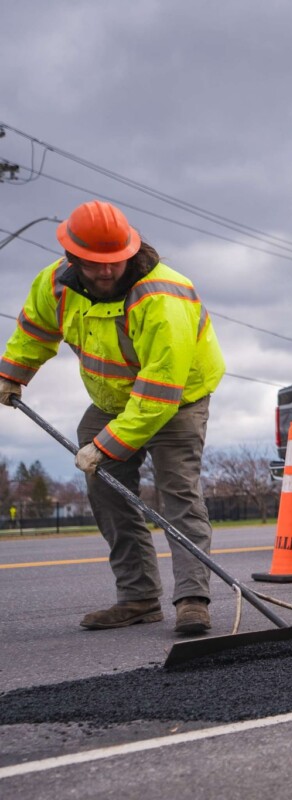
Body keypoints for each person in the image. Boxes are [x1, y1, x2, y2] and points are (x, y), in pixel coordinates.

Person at [0, 200, 225, 635]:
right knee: (108, 492)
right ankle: (138, 597)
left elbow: (159, 392)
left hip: (177, 400)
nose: (106, 272)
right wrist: (12, 375)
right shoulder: (55, 285)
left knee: (178, 492)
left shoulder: (163, 296)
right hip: (110, 399)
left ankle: (193, 600)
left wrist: (102, 447)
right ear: (73, 258)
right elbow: (35, 331)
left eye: (115, 263)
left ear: (130, 250)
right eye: (95, 264)